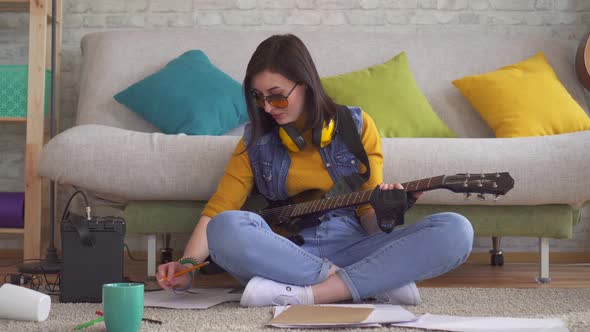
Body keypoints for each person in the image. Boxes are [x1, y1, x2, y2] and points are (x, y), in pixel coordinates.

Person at [157, 34, 474, 307]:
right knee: (225, 227)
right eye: (259, 98)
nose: (267, 108)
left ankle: (307, 295)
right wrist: (186, 268)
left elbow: (369, 216)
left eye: (277, 96)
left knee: (456, 230)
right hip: (287, 255)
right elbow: (219, 210)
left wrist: (389, 211)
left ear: (306, 85)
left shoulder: (358, 125)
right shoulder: (255, 140)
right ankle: (366, 284)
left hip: (355, 247)